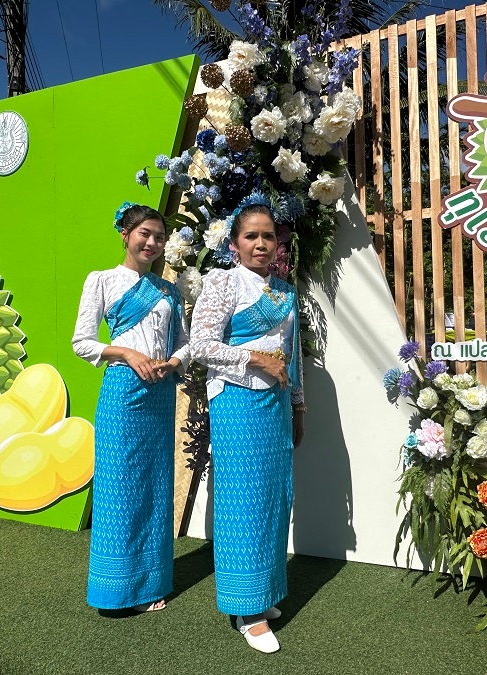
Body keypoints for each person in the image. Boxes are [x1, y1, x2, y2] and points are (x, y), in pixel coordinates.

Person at [190, 199, 306, 654]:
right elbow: (201, 345)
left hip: (275, 406)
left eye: (268, 236)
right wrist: (255, 358)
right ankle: (246, 611)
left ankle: (263, 593)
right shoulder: (222, 282)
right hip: (236, 402)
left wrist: (299, 406)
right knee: (243, 502)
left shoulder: (284, 292)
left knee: (274, 500)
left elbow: (292, 357)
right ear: (234, 244)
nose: (261, 244)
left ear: (278, 244)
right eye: (251, 236)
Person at [72, 202, 189, 613]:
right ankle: (117, 589)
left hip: (160, 394)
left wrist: (172, 362)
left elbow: (184, 342)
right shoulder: (102, 280)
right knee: (119, 488)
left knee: (155, 487)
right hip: (122, 393)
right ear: (125, 234)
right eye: (145, 234)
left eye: (160, 237)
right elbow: (82, 341)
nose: (152, 243)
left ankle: (150, 584)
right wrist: (125, 353)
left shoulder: (169, 291)